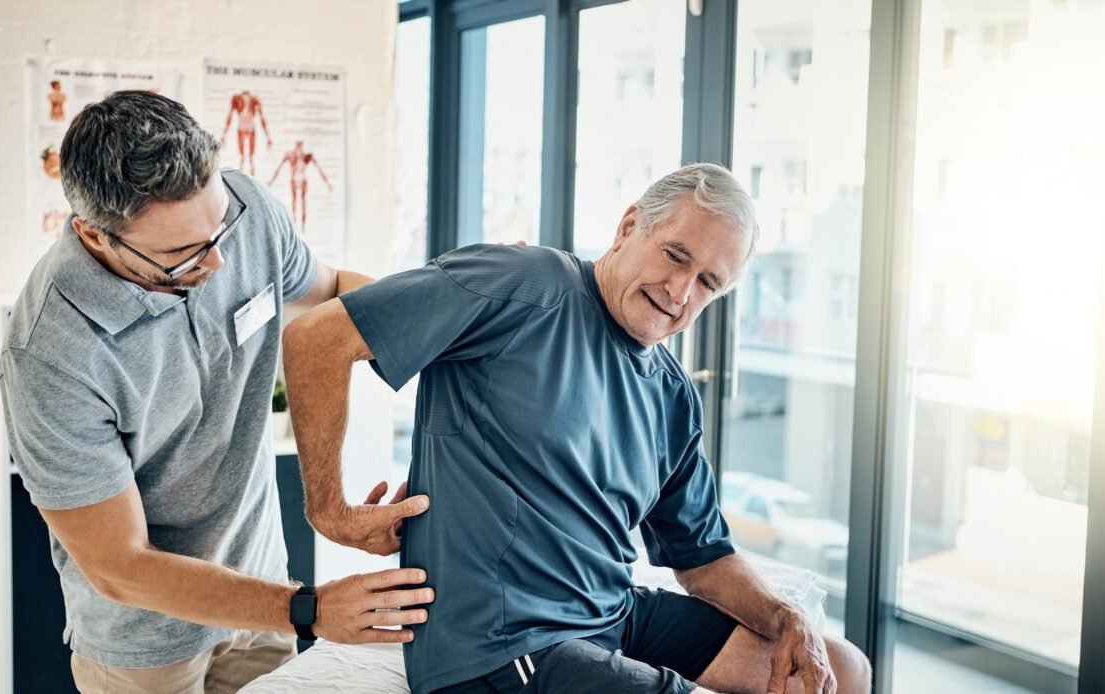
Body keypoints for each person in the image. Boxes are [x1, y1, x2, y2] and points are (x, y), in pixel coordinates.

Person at [282, 163, 872, 694]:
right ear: (628, 227)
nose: (681, 292)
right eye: (675, 256)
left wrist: (788, 619)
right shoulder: (521, 281)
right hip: (501, 641)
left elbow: (704, 560)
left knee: (842, 668)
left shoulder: (671, 393)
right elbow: (317, 338)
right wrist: (329, 510)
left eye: (708, 283)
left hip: (613, 613)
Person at [0, 90, 432, 694]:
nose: (222, 262)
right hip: (146, 642)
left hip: (264, 591)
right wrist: (309, 610)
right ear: (95, 237)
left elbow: (334, 291)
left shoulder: (244, 210)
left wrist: (449, 316)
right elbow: (120, 565)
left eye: (220, 227)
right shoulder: (51, 352)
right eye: (183, 255)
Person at [268, 140, 332, 233]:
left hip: (303, 181)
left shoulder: (307, 157)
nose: (299, 149)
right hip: (294, 180)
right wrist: (271, 181)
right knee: (294, 203)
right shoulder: (291, 156)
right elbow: (279, 168)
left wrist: (327, 183)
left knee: (303, 203)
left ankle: (303, 228)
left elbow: (319, 169)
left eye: (300, 146)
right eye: (298, 146)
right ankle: (294, 227)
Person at [222, 89, 272, 176]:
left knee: (249, 158)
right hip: (244, 128)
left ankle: (249, 179)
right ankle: (243, 178)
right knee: (244, 158)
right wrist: (224, 135)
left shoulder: (254, 100)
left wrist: (268, 137)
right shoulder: (238, 99)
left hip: (249, 128)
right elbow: (230, 116)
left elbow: (262, 118)